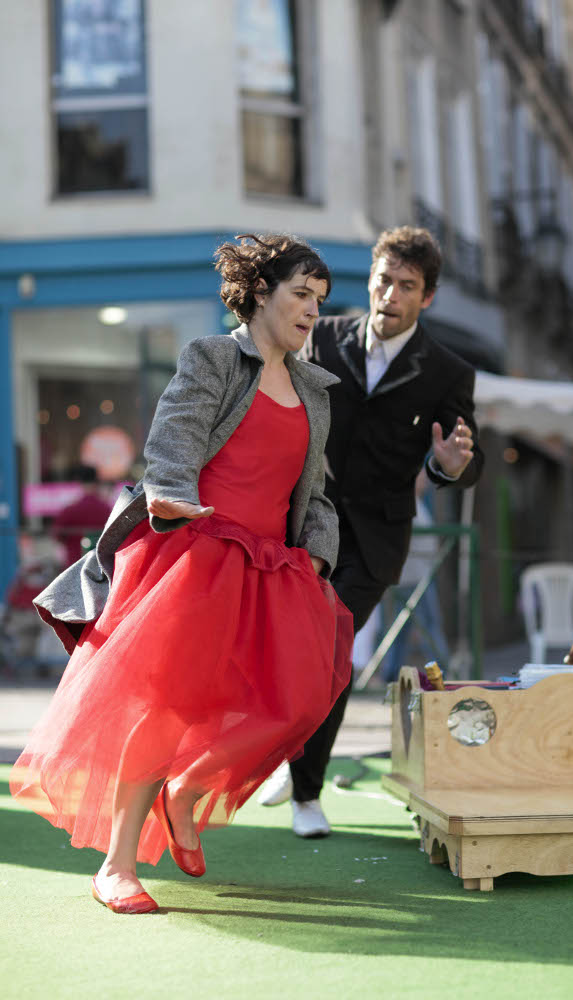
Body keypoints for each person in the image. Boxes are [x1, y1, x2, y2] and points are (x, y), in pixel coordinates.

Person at [10, 234, 353, 914]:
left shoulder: (315, 388)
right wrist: (169, 495)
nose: (313, 310)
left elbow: (313, 491)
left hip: (272, 565)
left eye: (319, 298)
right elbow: (172, 441)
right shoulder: (214, 357)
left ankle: (185, 790)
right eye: (300, 295)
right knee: (161, 710)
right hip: (196, 553)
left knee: (301, 699)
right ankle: (116, 866)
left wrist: (317, 552)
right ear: (261, 293)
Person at [259, 226, 484, 835]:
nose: (391, 294)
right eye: (384, 280)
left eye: (407, 286)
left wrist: (449, 464)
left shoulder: (448, 371)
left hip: (377, 539)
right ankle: (289, 757)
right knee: (294, 648)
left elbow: (467, 458)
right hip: (305, 523)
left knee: (329, 644)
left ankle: (306, 791)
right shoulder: (321, 337)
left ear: (426, 297)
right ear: (371, 281)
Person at [381, 468, 449, 683]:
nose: (425, 481)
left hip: (417, 575)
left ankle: (392, 672)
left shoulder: (417, 503)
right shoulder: (406, 503)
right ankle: (440, 672)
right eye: (421, 476)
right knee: (427, 625)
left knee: (403, 628)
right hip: (413, 577)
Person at [51, 464, 112, 567]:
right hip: (100, 566)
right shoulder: (107, 509)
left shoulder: (70, 510)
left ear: (79, 482)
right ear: (97, 482)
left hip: (74, 564)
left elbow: (57, 535)